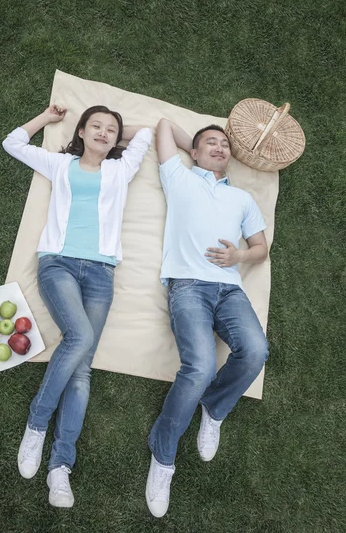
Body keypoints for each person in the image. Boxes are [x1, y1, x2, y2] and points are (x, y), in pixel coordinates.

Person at [2, 104, 152, 508]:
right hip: (59, 265)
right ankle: (36, 423)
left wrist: (117, 131)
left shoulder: (121, 170)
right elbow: (12, 142)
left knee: (82, 369)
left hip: (102, 273)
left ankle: (60, 468)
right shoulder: (59, 165)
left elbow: (147, 133)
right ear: (82, 131)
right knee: (81, 336)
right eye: (96, 127)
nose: (104, 133)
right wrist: (49, 118)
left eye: (111, 130)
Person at [146, 118, 269, 517]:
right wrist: (198, 149)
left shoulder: (243, 199)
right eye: (211, 143)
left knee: (255, 351)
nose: (220, 148)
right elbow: (163, 125)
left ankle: (214, 409)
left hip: (229, 289)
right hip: (187, 287)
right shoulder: (179, 178)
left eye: (225, 146)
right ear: (193, 152)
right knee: (198, 368)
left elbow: (261, 248)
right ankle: (163, 456)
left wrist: (239, 257)